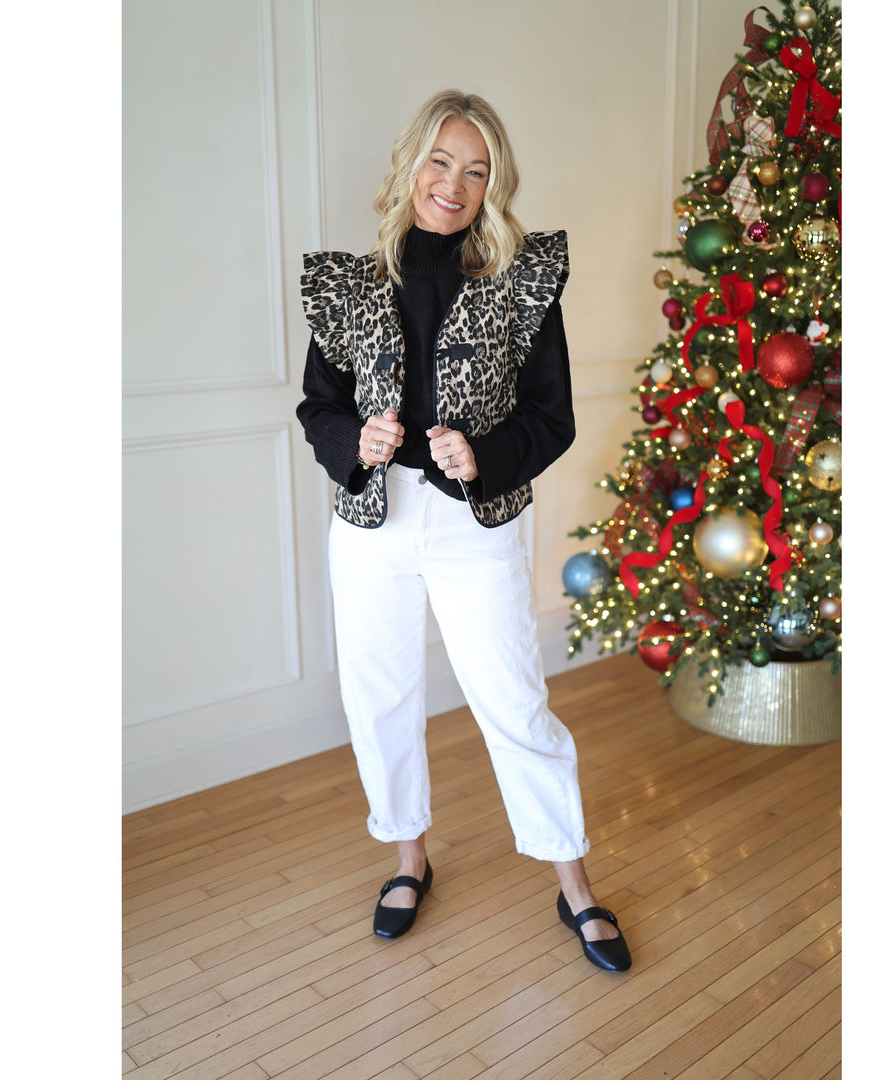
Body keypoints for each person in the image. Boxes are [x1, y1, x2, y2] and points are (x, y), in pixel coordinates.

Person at [296, 89, 630, 973]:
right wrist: (352, 442)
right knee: (381, 698)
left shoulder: (522, 280)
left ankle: (576, 887)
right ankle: (409, 860)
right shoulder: (346, 283)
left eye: (476, 170)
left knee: (515, 701)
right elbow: (318, 406)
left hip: (472, 521)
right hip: (370, 523)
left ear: (494, 186)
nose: (455, 182)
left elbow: (551, 418)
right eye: (441, 162)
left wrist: (483, 453)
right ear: (411, 164)